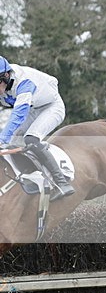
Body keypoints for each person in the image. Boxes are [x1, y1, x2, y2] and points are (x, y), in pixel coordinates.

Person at [0, 56, 75, 200]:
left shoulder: (24, 83)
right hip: (33, 109)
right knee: (11, 141)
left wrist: (2, 138)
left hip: (51, 107)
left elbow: (19, 114)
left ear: (6, 76)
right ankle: (28, 177)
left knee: (31, 139)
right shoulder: (4, 81)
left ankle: (61, 182)